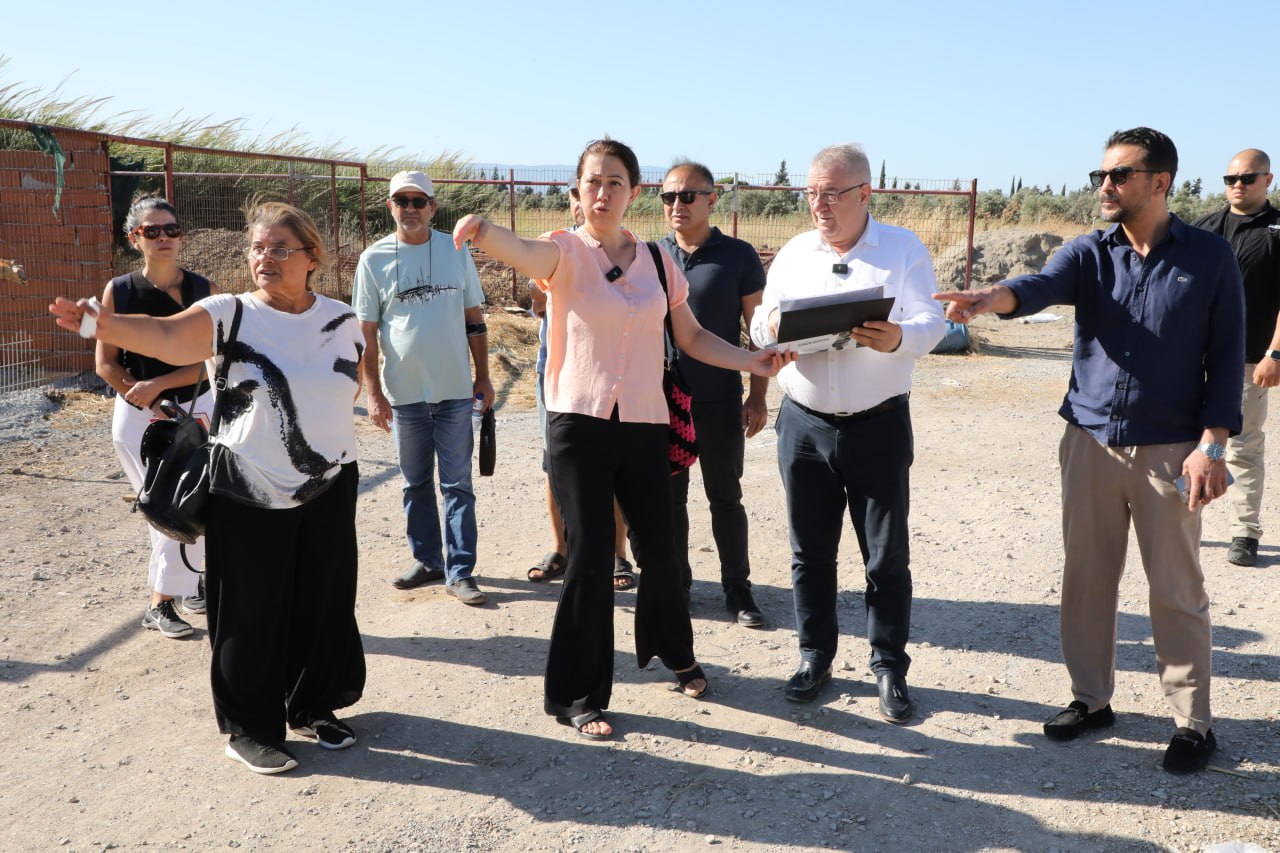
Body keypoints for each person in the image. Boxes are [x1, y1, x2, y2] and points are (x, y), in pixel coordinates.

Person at [453, 139, 788, 740]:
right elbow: (521, 251)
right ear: (577, 192)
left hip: (644, 420)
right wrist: (483, 229)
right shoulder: (563, 252)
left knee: (662, 552)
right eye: (591, 182)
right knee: (589, 559)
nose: (601, 192)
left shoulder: (659, 260)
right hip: (578, 425)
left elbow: (691, 337)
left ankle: (672, 651)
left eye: (614, 182)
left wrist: (752, 363)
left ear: (633, 193)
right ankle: (579, 693)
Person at [937, 127, 1244, 774]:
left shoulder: (1212, 258)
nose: (1105, 186)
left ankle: (1193, 722)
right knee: (1086, 580)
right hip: (1090, 441)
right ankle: (1091, 699)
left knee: (1176, 588)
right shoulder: (1089, 252)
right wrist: (991, 300)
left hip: (1171, 449)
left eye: (1119, 175)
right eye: (1100, 175)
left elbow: (1227, 357)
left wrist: (1212, 446)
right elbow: (1038, 286)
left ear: (1159, 182)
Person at [52, 202, 368, 776]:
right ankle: (249, 728)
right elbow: (170, 338)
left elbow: (352, 379)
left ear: (312, 257)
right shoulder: (232, 313)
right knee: (250, 611)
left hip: (329, 482)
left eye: (279, 248)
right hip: (249, 488)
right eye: (258, 248)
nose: (264, 258)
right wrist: (103, 323)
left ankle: (312, 705)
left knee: (321, 601)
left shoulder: (342, 317)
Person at [750, 143, 945, 722]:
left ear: (864, 194)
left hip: (878, 425)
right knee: (809, 553)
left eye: (831, 193)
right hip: (804, 426)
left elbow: (931, 320)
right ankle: (815, 658)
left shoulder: (902, 249)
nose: (819, 204)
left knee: (885, 557)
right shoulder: (794, 252)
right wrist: (775, 331)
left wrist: (899, 337)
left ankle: (888, 667)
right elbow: (761, 320)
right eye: (811, 193)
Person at [353, 171, 494, 606]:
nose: (411, 208)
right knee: (414, 484)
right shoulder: (373, 260)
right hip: (405, 394)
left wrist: (484, 376)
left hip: (454, 391)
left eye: (420, 201)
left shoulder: (456, 251)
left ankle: (460, 570)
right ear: (390, 206)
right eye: (402, 200)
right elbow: (366, 334)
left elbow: (473, 316)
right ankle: (428, 560)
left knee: (457, 485)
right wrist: (373, 392)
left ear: (433, 208)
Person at [97, 197, 216, 639]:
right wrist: (144, 395)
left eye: (171, 229)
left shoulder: (204, 289)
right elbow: (105, 362)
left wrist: (164, 384)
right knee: (164, 503)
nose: (164, 238)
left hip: (197, 405)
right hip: (141, 415)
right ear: (135, 238)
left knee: (201, 499)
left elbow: (211, 357)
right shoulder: (121, 290)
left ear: (181, 235)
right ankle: (160, 603)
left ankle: (188, 586)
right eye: (152, 231)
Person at [658, 161, 769, 627]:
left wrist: (757, 395)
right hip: (664, 403)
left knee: (725, 497)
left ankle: (738, 591)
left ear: (711, 199)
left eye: (687, 196)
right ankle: (678, 586)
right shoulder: (651, 255)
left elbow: (759, 332)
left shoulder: (738, 256)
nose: (676, 205)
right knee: (670, 499)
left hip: (721, 400)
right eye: (668, 197)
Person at [527, 186, 636, 590]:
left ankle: (617, 556)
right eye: (578, 192)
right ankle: (562, 549)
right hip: (556, 371)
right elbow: (539, 304)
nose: (584, 201)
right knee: (554, 463)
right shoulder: (556, 250)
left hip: (611, 370)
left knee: (611, 465)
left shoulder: (629, 252)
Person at [1192, 149, 1280, 567]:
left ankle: (1244, 532)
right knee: (1187, 442)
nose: (1237, 186)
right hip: (1194, 358)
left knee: (1242, 447)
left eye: (1247, 178)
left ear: (1268, 180)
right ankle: (1184, 519)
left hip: (1248, 359)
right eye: (1230, 179)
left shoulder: (1278, 230)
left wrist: (1275, 352)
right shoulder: (1204, 228)